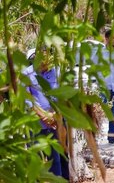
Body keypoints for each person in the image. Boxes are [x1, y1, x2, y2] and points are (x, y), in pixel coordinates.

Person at [24, 47, 69, 179]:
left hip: (57, 122)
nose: (46, 62)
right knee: (36, 160)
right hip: (36, 124)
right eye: (43, 58)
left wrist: (54, 115)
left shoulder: (57, 72)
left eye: (48, 58)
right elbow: (27, 100)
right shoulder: (27, 74)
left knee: (60, 159)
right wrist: (43, 115)